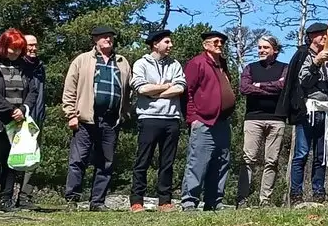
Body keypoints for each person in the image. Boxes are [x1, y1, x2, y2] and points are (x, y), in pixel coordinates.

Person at [62, 26, 132, 211]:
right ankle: (72, 200)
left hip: (111, 120)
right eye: (104, 37)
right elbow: (70, 89)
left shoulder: (122, 62)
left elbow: (128, 90)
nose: (108, 40)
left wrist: (125, 113)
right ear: (95, 40)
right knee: (78, 160)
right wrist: (71, 114)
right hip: (85, 118)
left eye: (110, 37)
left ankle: (98, 202)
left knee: (106, 163)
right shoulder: (83, 60)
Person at [278, 23, 328, 204]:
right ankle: (296, 194)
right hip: (308, 110)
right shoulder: (302, 55)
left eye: (326, 34)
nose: (325, 37)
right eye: (321, 34)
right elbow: (304, 82)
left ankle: (319, 192)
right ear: (311, 37)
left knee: (321, 156)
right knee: (301, 153)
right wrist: (316, 63)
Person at [0, 29, 39, 213]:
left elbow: (32, 91)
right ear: (4, 47)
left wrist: (24, 109)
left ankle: (6, 200)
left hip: (17, 121)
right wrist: (11, 111)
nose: (17, 53)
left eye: (20, 49)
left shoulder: (25, 67)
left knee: (11, 163)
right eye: (13, 49)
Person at [129, 29, 186, 212]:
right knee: (143, 160)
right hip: (148, 118)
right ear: (155, 44)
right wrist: (165, 87)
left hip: (171, 118)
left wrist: (156, 93)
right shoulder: (141, 64)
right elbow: (141, 89)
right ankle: (137, 200)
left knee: (167, 162)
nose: (171, 46)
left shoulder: (175, 64)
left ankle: (165, 201)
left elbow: (180, 88)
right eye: (167, 42)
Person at [182, 30, 236, 211]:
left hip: (222, 122)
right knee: (198, 162)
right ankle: (189, 202)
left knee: (221, 163)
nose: (220, 45)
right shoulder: (197, 63)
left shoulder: (222, 64)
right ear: (206, 45)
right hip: (203, 121)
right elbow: (187, 92)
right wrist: (193, 118)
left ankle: (214, 201)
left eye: (222, 42)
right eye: (216, 42)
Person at [240, 35, 289, 206]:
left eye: (265, 47)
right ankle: (242, 199)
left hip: (277, 119)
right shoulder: (250, 68)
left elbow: (283, 86)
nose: (261, 50)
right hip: (253, 118)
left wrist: (259, 85)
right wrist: (271, 87)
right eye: (260, 47)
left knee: (272, 161)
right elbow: (245, 88)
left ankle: (265, 200)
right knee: (248, 159)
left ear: (275, 50)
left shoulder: (285, 68)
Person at [15, 34, 47, 209]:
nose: (33, 49)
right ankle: (6, 196)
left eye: (35, 45)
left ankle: (25, 197)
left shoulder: (40, 66)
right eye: (29, 46)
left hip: (37, 117)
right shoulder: (17, 65)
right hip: (19, 116)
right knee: (13, 155)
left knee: (33, 157)